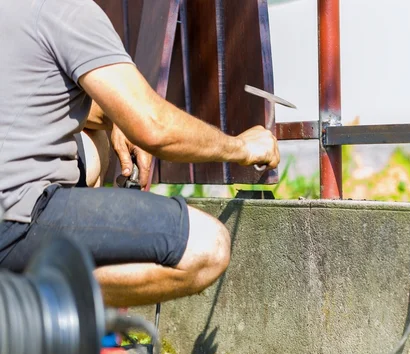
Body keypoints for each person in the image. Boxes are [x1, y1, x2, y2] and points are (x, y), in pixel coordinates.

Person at [0, 2, 279, 308]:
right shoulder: (67, 11)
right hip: (14, 215)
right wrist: (241, 147)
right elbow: (154, 127)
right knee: (208, 246)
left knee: (94, 146)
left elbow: (43, 95)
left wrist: (120, 115)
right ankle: (24, 302)